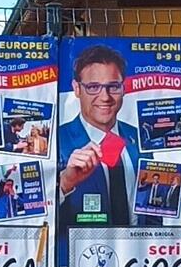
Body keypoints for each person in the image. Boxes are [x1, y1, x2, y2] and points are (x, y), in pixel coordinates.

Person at [56, 42, 136, 230]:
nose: (105, 97)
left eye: (113, 86)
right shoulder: (56, 141)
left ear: (123, 88)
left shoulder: (141, 139)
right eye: (93, 87)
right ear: (77, 88)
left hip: (140, 254)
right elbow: (35, 218)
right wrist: (64, 184)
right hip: (79, 256)